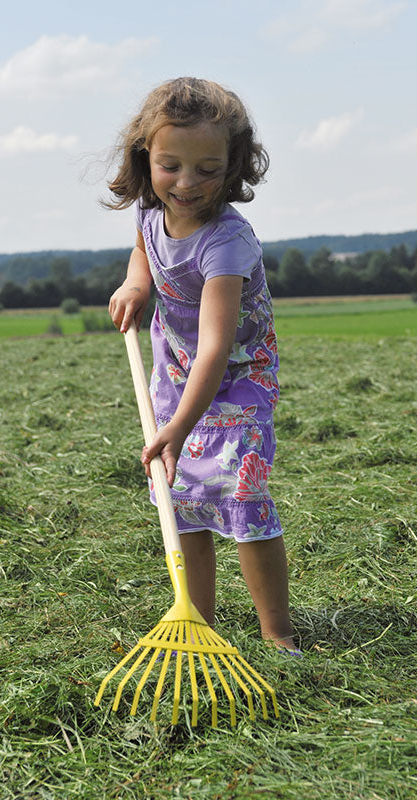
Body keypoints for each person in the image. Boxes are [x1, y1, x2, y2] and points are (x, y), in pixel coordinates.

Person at [105, 77, 298, 655]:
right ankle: (199, 625)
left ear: (233, 165)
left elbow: (215, 347)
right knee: (182, 504)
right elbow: (143, 253)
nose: (186, 184)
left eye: (207, 170)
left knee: (242, 498)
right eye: (170, 166)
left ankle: (278, 633)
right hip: (176, 374)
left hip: (235, 381)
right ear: (146, 157)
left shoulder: (226, 242)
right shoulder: (151, 210)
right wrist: (135, 286)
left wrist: (178, 427)